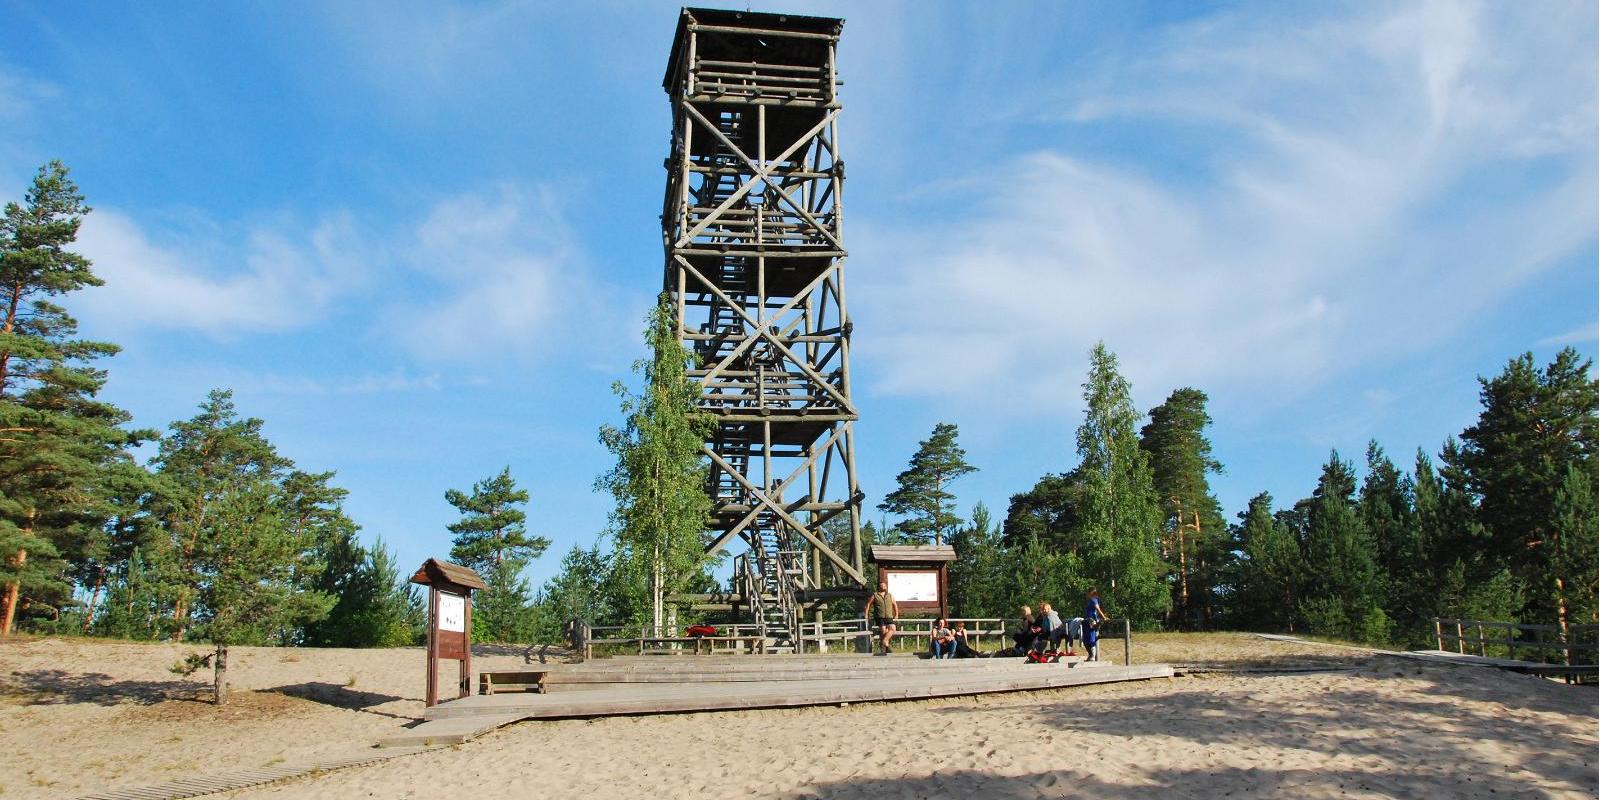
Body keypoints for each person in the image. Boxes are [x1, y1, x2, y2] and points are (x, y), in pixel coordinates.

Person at [865, 586, 899, 655]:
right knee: (884, 631)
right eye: (882, 585)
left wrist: (896, 614)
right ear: (879, 587)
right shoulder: (875, 595)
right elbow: (868, 604)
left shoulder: (890, 595)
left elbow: (895, 605)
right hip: (880, 617)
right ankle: (885, 649)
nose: (884, 587)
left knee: (893, 628)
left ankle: (884, 641)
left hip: (889, 616)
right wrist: (866, 614)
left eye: (884, 585)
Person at [1082, 587, 1111, 662]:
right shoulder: (1090, 601)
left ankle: (1092, 656)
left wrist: (1104, 617)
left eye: (1088, 593)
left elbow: (1098, 609)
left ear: (1090, 593)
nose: (1086, 595)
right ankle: (1090, 655)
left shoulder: (1093, 600)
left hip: (1092, 620)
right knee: (1086, 640)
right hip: (1087, 621)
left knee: (1091, 639)